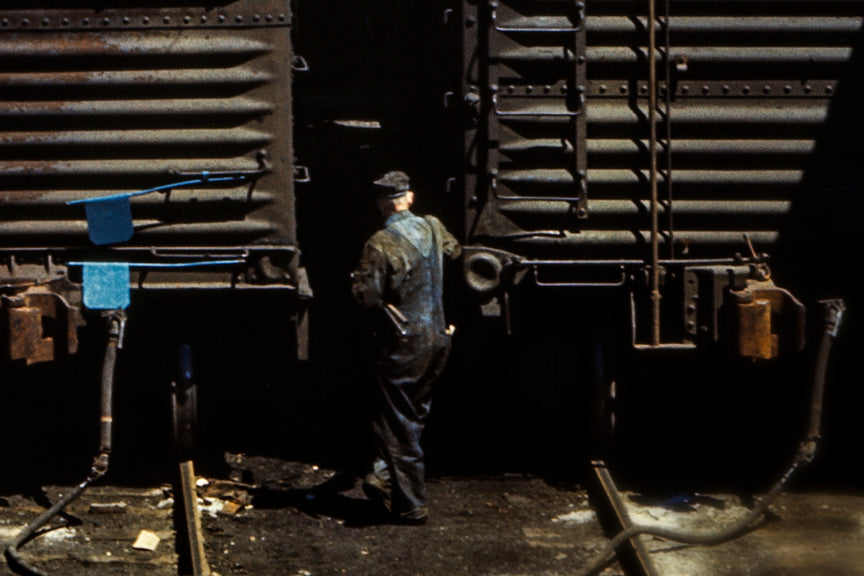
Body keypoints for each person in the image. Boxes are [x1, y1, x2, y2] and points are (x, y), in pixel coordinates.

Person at [351, 170, 461, 524]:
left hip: (404, 345)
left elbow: (367, 300)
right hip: (439, 338)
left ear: (382, 204)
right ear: (409, 198)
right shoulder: (433, 226)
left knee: (398, 422)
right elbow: (456, 253)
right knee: (412, 414)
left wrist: (356, 283)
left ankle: (411, 504)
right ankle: (382, 474)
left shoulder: (379, 243)